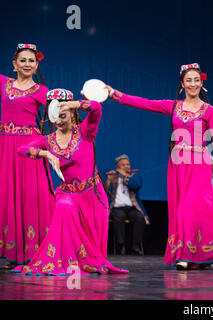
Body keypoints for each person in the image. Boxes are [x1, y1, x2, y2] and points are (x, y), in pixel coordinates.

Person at [105, 63, 213, 270]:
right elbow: (143, 103)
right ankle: (191, 255)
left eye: (196, 80)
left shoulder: (209, 110)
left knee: (192, 206)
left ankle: (189, 254)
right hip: (178, 164)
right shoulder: (174, 106)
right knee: (180, 208)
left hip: (199, 163)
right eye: (188, 80)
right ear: (182, 84)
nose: (192, 84)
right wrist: (115, 94)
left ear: (202, 83)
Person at [12, 89, 128, 275]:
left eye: (62, 114)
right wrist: (45, 153)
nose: (58, 120)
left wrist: (75, 103)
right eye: (54, 115)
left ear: (72, 113)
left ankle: (88, 263)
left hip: (93, 194)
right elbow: (21, 150)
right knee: (64, 207)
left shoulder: (85, 131)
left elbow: (96, 109)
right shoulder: (47, 141)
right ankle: (66, 262)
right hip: (68, 194)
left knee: (95, 253)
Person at [0, 44, 55, 269]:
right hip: (5, 144)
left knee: (29, 194)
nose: (27, 64)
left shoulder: (42, 91)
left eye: (31, 61)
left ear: (37, 64)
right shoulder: (4, 83)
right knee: (6, 194)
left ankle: (33, 251)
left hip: (29, 147)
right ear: (14, 65)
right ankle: (10, 250)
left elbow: (58, 114)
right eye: (22, 60)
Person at [106, 154, 148, 256]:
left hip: (131, 207)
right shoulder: (113, 176)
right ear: (118, 167)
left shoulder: (135, 176)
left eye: (128, 164)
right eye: (123, 165)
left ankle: (136, 246)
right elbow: (105, 192)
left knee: (139, 217)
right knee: (119, 217)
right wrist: (108, 180)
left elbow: (136, 185)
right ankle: (121, 246)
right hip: (116, 208)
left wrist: (124, 175)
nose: (126, 166)